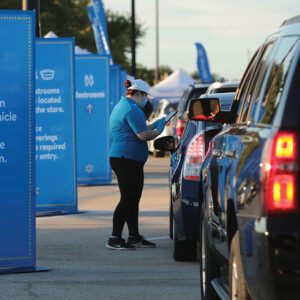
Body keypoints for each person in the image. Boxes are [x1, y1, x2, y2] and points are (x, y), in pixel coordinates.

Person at [107, 79, 165, 250]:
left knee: (133, 199)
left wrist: (155, 125)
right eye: (145, 95)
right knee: (127, 199)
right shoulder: (131, 109)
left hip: (127, 159)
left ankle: (134, 236)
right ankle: (114, 237)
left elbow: (138, 128)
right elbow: (142, 135)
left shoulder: (125, 106)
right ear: (138, 93)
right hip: (126, 160)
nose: (146, 99)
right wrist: (159, 131)